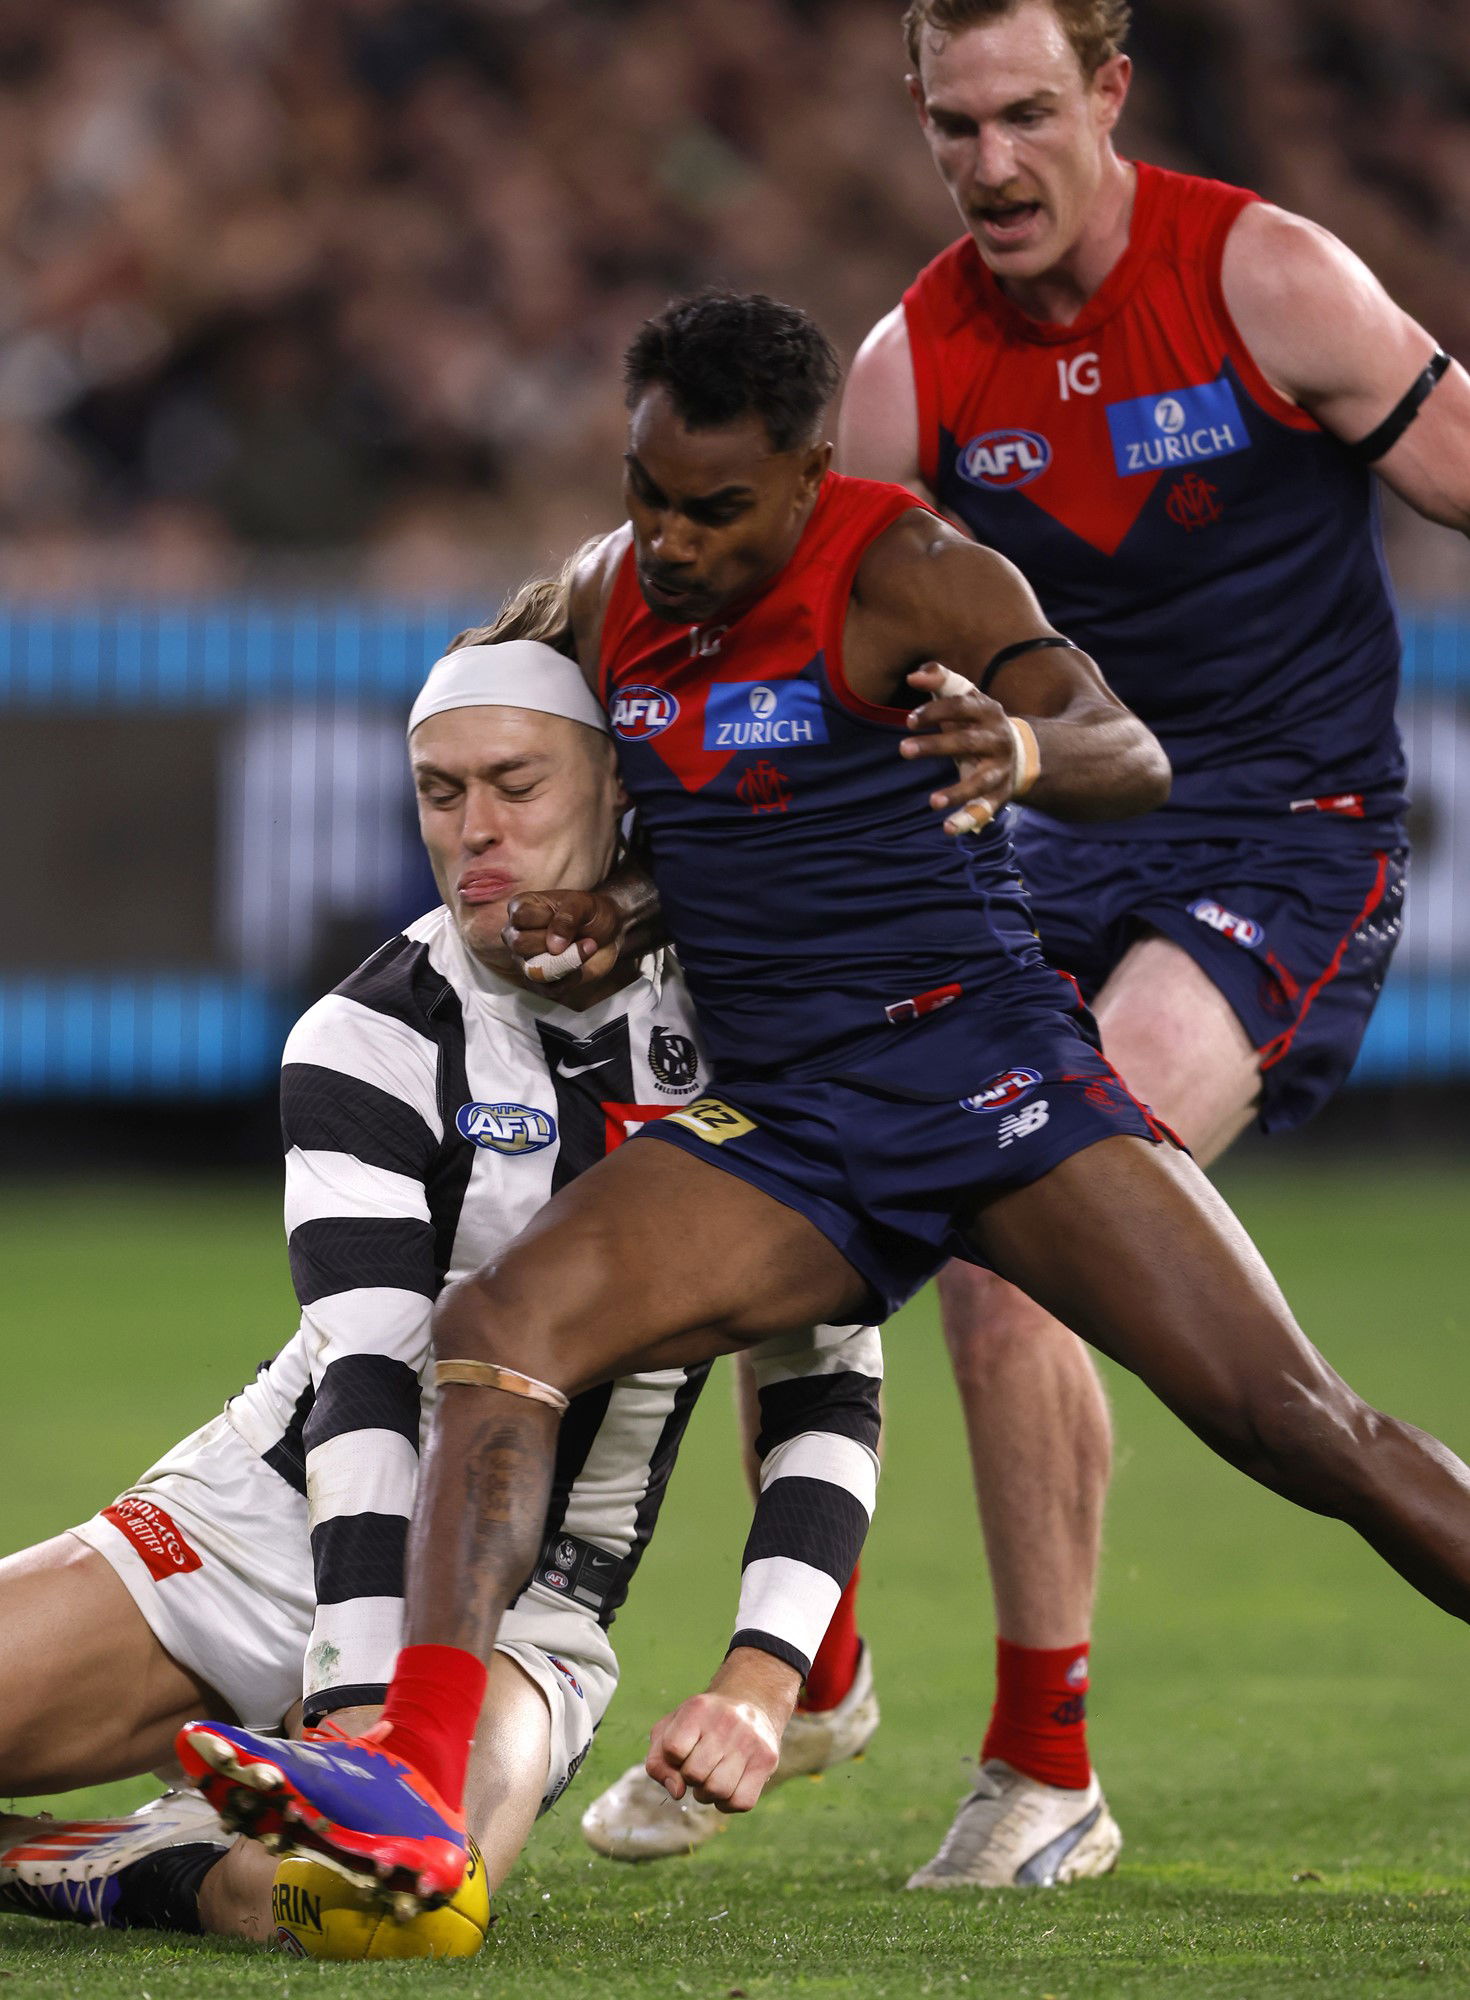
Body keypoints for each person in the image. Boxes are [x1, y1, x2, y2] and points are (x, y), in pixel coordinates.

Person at [175, 290, 1470, 1910]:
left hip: (992, 1083)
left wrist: (1018, 745)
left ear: (804, 477)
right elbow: (554, 739)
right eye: (647, 489)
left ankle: (804, 1679)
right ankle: (410, 1778)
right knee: (497, 1330)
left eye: (715, 510)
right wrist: (614, 903)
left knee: (1303, 1430)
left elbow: (1121, 747)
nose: (671, 539)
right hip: (789, 1120)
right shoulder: (603, 592)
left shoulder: (906, 567)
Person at [765, 0, 1470, 1890]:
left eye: (1022, 117)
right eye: (949, 127)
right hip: (1038, 835)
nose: (988, 165)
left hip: (1285, 839)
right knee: (763, 1137)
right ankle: (808, 1646)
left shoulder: (1267, 277)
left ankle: (1041, 1769)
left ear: (1109, 98)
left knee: (1022, 1234)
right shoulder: (911, 367)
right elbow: (816, 650)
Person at [0, 626, 884, 1942]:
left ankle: (96, 1861)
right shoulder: (364, 1036)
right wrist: (362, 1702)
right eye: (439, 788)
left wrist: (761, 1679)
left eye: (514, 785)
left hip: (535, 1607)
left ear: (614, 788)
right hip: (261, 1529)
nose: (473, 828)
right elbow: (364, 1379)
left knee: (399, 1903)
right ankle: (265, 1759)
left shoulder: (762, 1031)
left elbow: (826, 1388)